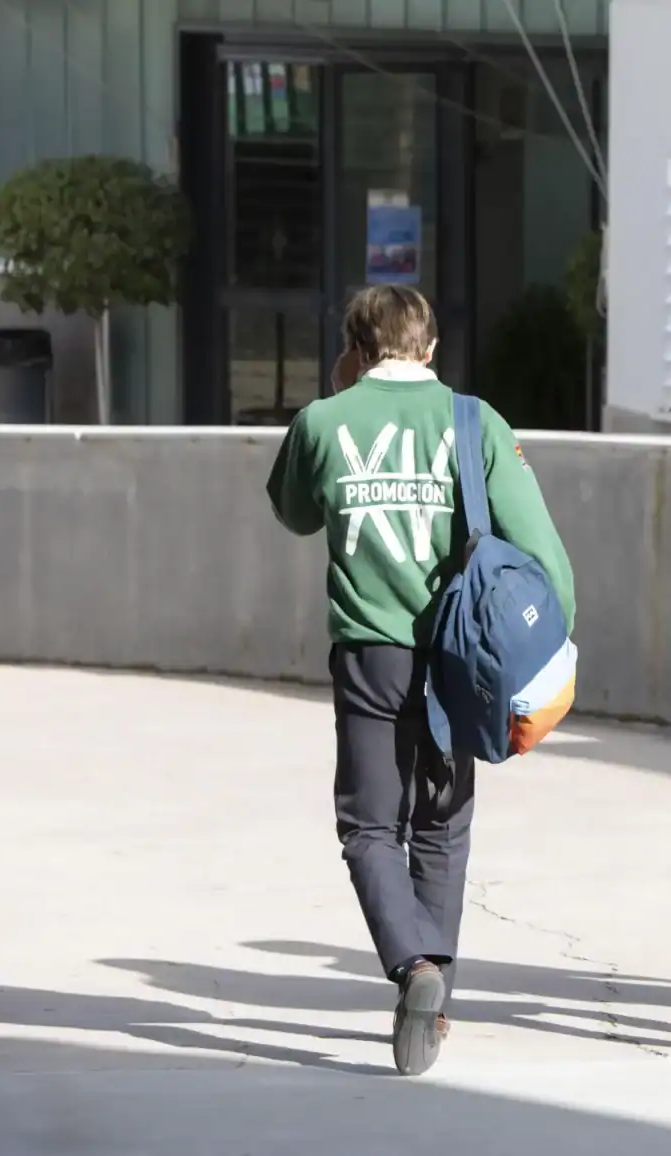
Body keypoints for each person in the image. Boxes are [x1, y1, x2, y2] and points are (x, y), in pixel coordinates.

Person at [265, 285, 575, 1076]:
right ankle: (432, 1011)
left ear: (355, 347)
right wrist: (549, 650)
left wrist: (340, 396)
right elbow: (545, 555)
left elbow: (294, 512)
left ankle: (415, 970)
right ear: (431, 348)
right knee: (442, 825)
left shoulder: (324, 422)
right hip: (459, 661)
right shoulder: (478, 422)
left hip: (370, 652)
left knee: (371, 828)